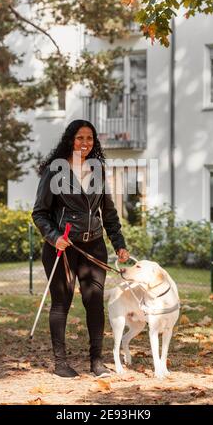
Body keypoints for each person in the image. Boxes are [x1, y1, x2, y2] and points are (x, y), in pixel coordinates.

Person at [32, 119, 130, 378]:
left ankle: (97, 361)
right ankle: (60, 363)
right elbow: (39, 213)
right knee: (61, 303)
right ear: (70, 140)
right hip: (63, 248)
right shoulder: (56, 170)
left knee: (94, 301)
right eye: (80, 138)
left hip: (94, 246)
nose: (85, 143)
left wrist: (119, 244)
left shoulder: (97, 170)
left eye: (89, 138)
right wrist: (54, 237)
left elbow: (107, 212)